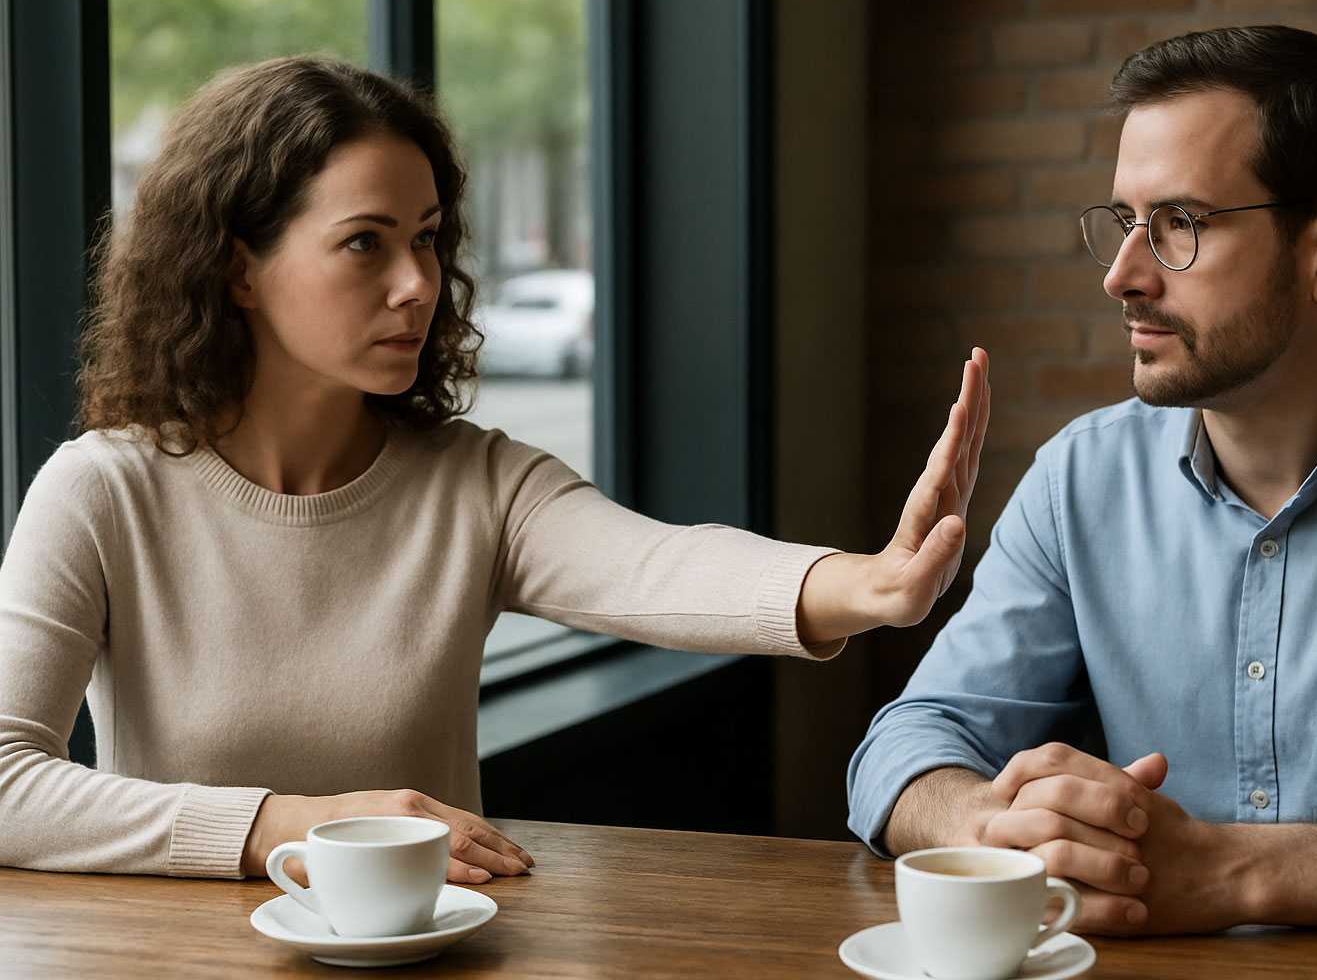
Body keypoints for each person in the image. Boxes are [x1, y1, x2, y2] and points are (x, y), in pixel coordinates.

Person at [0, 56, 991, 885]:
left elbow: (662, 565)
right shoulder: (101, 493)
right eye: (365, 244)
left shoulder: (473, 485)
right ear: (237, 267)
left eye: (427, 240)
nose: (417, 284)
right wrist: (277, 826)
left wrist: (873, 582)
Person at [847, 24, 1317, 935]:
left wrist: (1226, 874)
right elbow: (903, 746)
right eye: (1124, 223)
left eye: (1179, 225)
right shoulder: (1079, 481)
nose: (1124, 277)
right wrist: (999, 825)